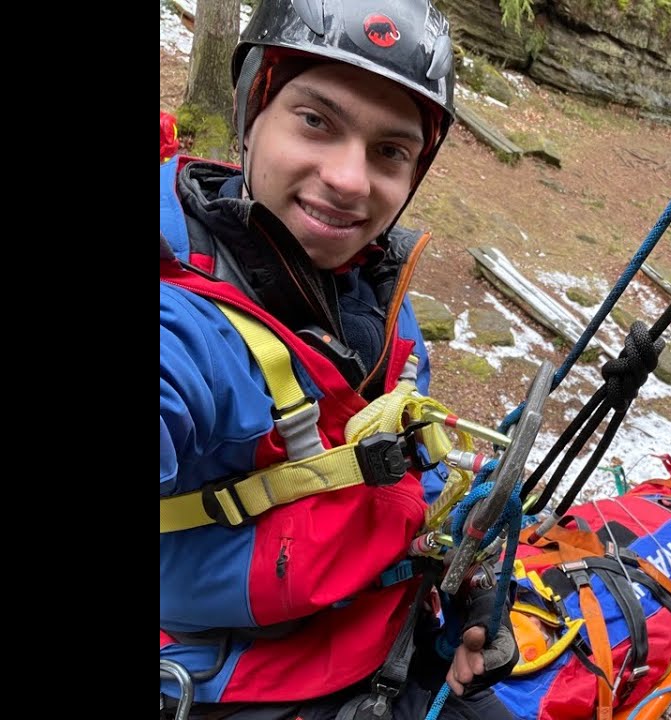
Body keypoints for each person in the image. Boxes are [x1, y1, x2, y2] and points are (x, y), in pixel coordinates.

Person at [160, 1, 518, 717]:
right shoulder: (187, 325)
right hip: (251, 686)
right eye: (316, 121)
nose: (351, 179)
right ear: (252, 111)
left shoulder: (371, 286)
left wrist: (466, 579)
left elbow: (414, 470)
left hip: (387, 641)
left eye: (390, 150)